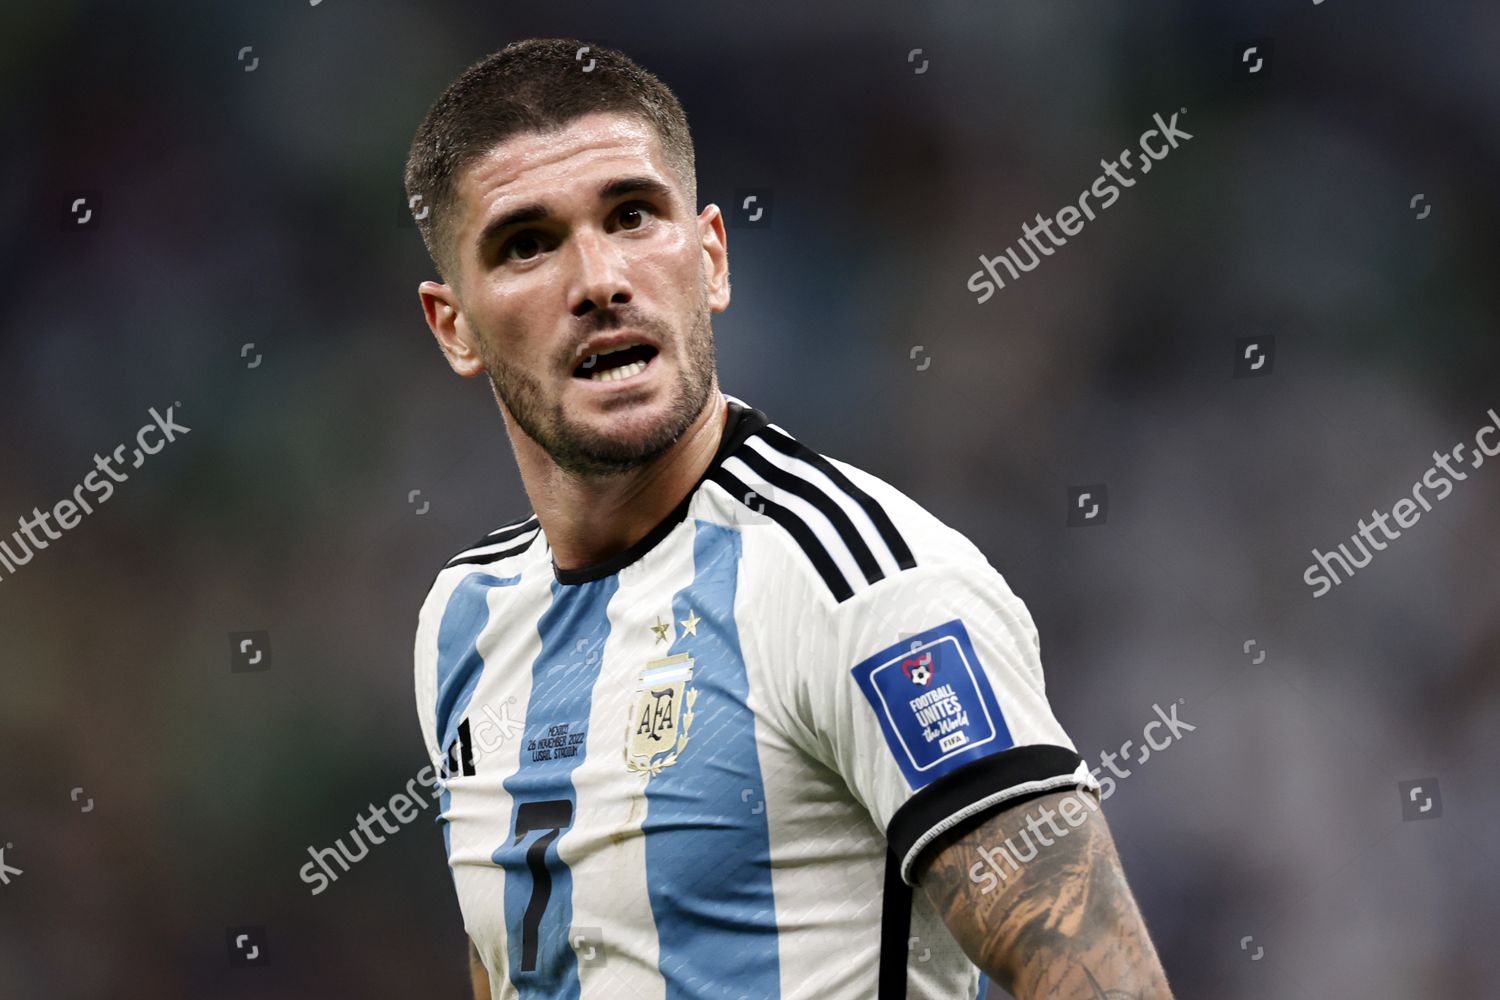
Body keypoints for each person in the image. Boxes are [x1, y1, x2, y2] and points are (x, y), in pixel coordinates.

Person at [405, 37, 1172, 1000]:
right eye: (528, 243)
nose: (599, 279)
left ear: (713, 259)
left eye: (633, 215)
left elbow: (1107, 980)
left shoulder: (862, 584)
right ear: (455, 326)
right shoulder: (463, 621)